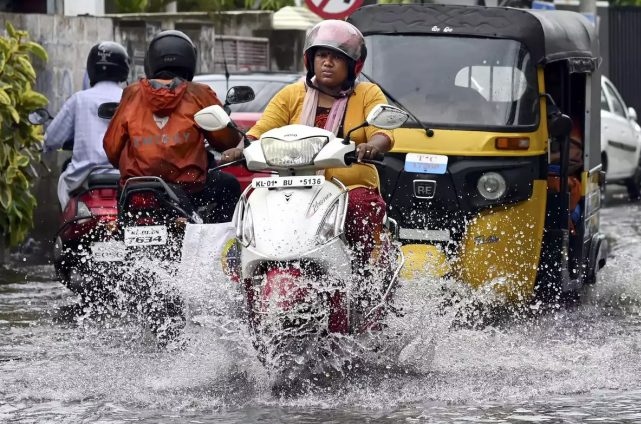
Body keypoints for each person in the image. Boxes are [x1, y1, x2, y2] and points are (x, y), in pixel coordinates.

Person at [222, 20, 394, 266]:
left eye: (337, 57)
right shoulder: (291, 94)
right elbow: (260, 130)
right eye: (322, 55)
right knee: (253, 204)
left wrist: (372, 146)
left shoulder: (368, 93)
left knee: (359, 206)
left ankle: (363, 273)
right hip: (290, 186)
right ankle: (246, 268)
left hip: (348, 188)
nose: (327, 62)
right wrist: (240, 148)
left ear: (353, 65)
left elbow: (383, 132)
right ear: (310, 59)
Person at [103, 30, 241, 223]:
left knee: (123, 197)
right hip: (190, 189)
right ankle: (219, 248)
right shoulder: (198, 94)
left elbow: (111, 149)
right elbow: (225, 140)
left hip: (138, 191)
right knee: (230, 185)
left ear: (151, 61)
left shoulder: (131, 94)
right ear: (190, 60)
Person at [44, 41, 130, 211]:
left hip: (83, 179)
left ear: (91, 68)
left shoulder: (79, 99)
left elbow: (52, 138)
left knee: (67, 200)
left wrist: (43, 144)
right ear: (123, 69)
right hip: (125, 178)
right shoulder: (131, 98)